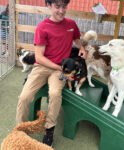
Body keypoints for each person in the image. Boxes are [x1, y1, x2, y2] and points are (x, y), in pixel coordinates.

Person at [16, 0, 86, 147]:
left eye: (64, 6)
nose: (61, 10)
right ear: (48, 6)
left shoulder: (71, 24)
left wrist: (82, 48)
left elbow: (76, 38)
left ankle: (49, 130)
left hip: (59, 70)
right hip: (42, 66)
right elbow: (39, 57)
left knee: (54, 93)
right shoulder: (42, 27)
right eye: (57, 6)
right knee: (24, 97)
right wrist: (57, 67)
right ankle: (20, 130)